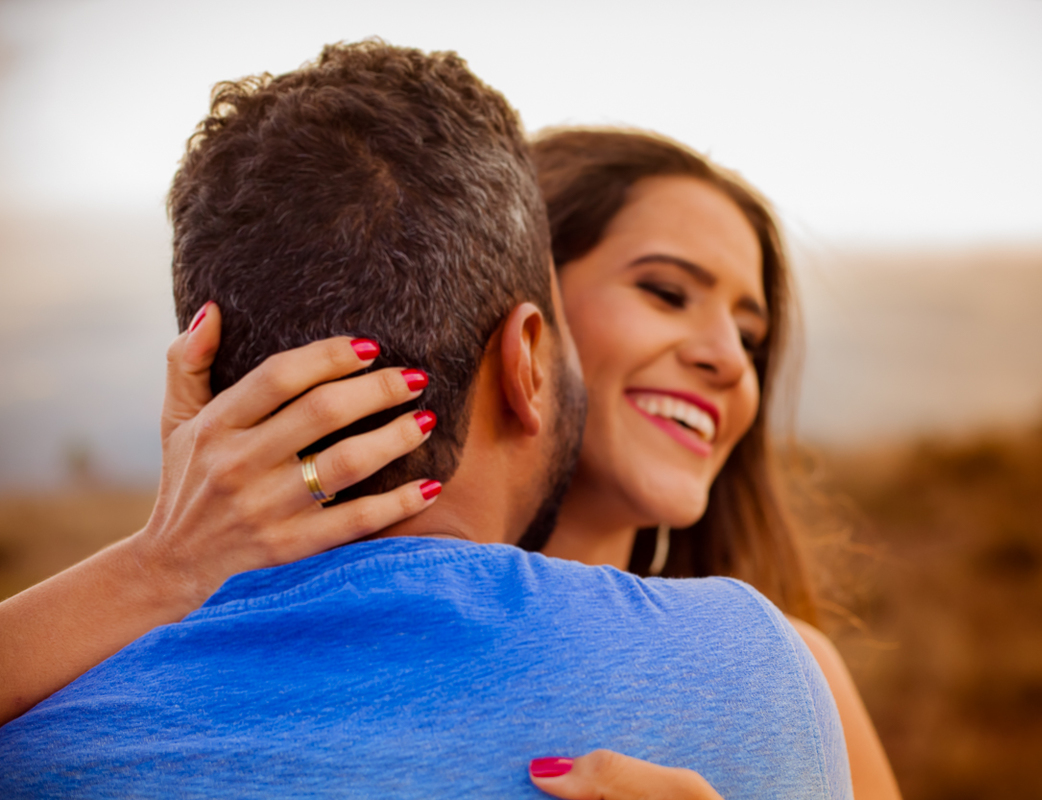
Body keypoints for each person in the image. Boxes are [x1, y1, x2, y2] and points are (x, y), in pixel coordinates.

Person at [0, 41, 850, 799]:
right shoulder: (760, 675)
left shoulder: (44, 737)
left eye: (749, 336)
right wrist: (158, 569)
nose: (728, 360)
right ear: (529, 355)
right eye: (665, 293)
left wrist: (156, 572)